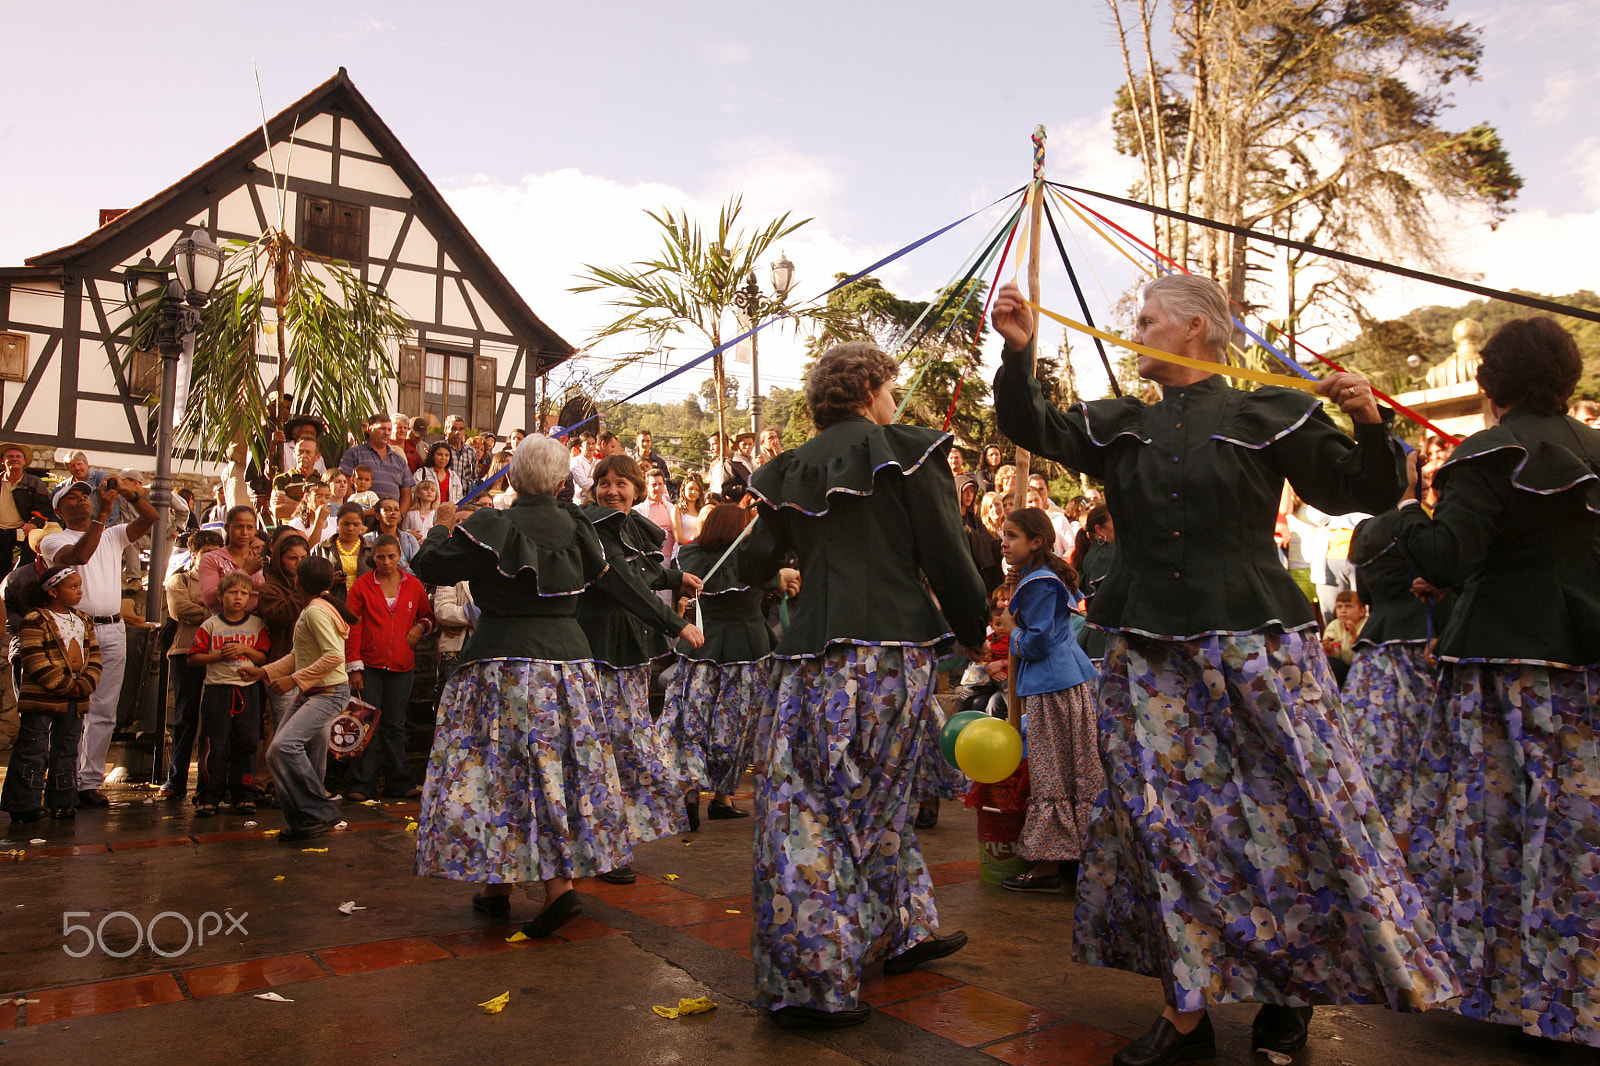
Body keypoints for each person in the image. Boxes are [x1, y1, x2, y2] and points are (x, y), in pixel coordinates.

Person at [991, 274, 1454, 1065]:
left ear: (1196, 329)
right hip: (1146, 655)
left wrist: (1369, 422)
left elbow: (1366, 488)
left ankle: (1289, 997)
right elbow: (1032, 421)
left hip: (1254, 650)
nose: (1133, 329)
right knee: (1159, 824)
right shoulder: (1124, 424)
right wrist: (1019, 350)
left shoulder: (1265, 411)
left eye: (1145, 319)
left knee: (1287, 815)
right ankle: (1184, 1011)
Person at [734, 341, 989, 1028]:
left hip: (804, 664)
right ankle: (826, 980)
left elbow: (753, 558)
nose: (894, 397)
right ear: (871, 387)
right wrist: (978, 628)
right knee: (869, 813)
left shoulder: (789, 469)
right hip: (887, 661)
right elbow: (947, 555)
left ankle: (874, 940)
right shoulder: (909, 454)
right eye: (891, 386)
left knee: (804, 817)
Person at [1392, 317, 1600, 1048]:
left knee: (1497, 831)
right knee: (1579, 830)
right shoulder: (1596, 451)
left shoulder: (1488, 454)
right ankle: (1580, 998)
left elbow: (1449, 556)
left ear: (1492, 381)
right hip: (1587, 670)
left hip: (1506, 672)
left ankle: (1511, 993)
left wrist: (1405, 510)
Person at [411, 435, 703, 938]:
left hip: (499, 667)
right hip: (567, 668)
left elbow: (428, 565)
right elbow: (620, 583)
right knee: (557, 772)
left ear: (513, 478)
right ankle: (525, 889)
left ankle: (532, 889)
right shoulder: (577, 526)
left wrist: (439, 527)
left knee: (496, 773)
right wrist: (676, 623)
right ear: (564, 482)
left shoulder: (490, 524)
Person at [576, 453, 705, 884]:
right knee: (607, 752)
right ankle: (606, 847)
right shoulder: (593, 527)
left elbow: (644, 572)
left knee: (627, 748)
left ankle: (613, 843)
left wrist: (674, 579)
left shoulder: (628, 526)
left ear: (637, 489)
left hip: (629, 652)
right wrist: (675, 622)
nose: (612, 490)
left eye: (621, 483)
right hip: (598, 653)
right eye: (604, 482)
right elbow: (622, 583)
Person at [992, 507, 1103, 895]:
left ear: (1035, 542)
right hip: (1066, 684)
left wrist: (1012, 628)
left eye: (1012, 536)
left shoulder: (1039, 582)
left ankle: (1048, 867)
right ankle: (1077, 856)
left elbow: (1037, 642)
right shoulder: (1043, 577)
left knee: (1052, 773)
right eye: (1003, 535)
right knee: (1076, 770)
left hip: (1050, 688)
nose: (1003, 542)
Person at [665, 504, 796, 824]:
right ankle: (722, 798)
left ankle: (690, 787)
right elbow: (777, 575)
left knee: (691, 724)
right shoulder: (753, 563)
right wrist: (784, 577)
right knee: (734, 730)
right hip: (746, 653)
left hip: (699, 650)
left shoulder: (690, 555)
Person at [1340, 493, 1453, 844]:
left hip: (1374, 652)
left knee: (1373, 753)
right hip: (1422, 641)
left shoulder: (1364, 532)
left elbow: (1367, 596)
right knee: (1424, 754)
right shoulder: (1416, 522)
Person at [41, 476, 156, 807]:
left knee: (104, 709)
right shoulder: (54, 540)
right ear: (59, 509)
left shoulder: (112, 535)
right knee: (73, 706)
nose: (80, 499)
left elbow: (151, 518)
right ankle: (65, 777)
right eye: (71, 497)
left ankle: (88, 782)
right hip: (77, 629)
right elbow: (79, 556)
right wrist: (103, 516)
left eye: (84, 495)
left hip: (113, 627)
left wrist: (128, 492)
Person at [244, 555, 356, 842]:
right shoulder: (316, 608)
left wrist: (293, 680)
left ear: (299, 581)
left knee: (285, 747)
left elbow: (333, 657)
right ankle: (305, 821)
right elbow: (299, 656)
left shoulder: (316, 611)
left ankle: (318, 809)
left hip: (327, 692)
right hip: (315, 691)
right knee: (276, 752)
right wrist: (263, 673)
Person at [1, 566, 100, 822]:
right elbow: (35, 659)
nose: (79, 591)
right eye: (73, 587)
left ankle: (64, 800)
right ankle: (24, 804)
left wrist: (86, 682)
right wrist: (65, 685)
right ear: (53, 591)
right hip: (43, 698)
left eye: (80, 586)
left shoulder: (83, 619)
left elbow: (94, 655)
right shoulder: (36, 619)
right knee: (34, 747)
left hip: (75, 696)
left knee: (67, 748)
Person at [343, 534, 435, 802]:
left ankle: (399, 782)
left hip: (402, 666)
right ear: (373, 558)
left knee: (395, 724)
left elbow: (428, 616)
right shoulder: (361, 586)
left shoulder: (413, 586)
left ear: (400, 557)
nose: (385, 562)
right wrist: (354, 667)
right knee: (366, 722)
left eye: (391, 556)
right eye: (380, 557)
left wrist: (420, 628)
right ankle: (361, 783)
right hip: (369, 665)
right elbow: (352, 625)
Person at [186, 571, 271, 817]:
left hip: (248, 691)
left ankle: (244, 793)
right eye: (233, 592)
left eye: (244, 593)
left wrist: (245, 649)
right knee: (215, 744)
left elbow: (263, 656)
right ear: (221, 596)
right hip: (218, 690)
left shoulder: (256, 625)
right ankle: (208, 795)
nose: (238, 598)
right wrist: (217, 656)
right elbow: (193, 658)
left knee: (247, 742)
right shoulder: (211, 625)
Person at [159, 528, 225, 801]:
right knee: (185, 717)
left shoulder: (228, 583)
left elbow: (238, 610)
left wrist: (206, 609)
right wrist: (216, 612)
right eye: (205, 554)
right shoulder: (180, 581)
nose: (211, 560)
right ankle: (177, 780)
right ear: (194, 555)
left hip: (220, 656)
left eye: (215, 554)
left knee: (215, 719)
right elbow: (180, 610)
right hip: (186, 652)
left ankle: (210, 783)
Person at [340, 413, 415, 516]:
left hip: (390, 519)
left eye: (389, 430)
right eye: (382, 429)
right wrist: (356, 512)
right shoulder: (354, 454)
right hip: (362, 517)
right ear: (370, 429)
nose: (386, 433)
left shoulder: (399, 459)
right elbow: (346, 484)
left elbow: (406, 493)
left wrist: (400, 516)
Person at [199, 506, 264, 614]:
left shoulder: (263, 560)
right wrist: (245, 573)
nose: (244, 532)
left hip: (258, 625)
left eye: (250, 527)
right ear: (227, 528)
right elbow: (209, 599)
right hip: (223, 625)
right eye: (239, 527)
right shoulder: (211, 559)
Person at [0, 443, 51, 576]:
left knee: (25, 567)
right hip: (1, 530)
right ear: (2, 461)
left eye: (18, 456)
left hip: (25, 529)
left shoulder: (35, 482)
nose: (14, 459)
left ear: (23, 461)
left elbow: (43, 506)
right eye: (9, 456)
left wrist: (34, 523)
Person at [313, 503, 374, 598]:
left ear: (362, 524)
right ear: (337, 522)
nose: (350, 528)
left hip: (364, 604)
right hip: (332, 604)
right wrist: (330, 580)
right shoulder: (322, 548)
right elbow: (311, 580)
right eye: (345, 524)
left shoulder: (372, 549)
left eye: (356, 524)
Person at [1319, 589, 1367, 688]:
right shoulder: (1335, 625)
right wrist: (1330, 649)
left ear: (1362, 611)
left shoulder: (1366, 624)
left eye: (1349, 606)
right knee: (1330, 663)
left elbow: (1366, 649)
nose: (1343, 610)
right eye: (1339, 607)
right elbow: (1337, 652)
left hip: (1362, 666)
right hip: (1344, 667)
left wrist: (1354, 635)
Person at [634, 467, 678, 563]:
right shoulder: (639, 510)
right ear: (647, 487)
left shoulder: (671, 508)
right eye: (654, 485)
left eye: (660, 484)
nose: (657, 488)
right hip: (650, 560)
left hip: (670, 558)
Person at [366, 498, 420, 572]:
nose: (393, 513)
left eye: (396, 510)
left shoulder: (409, 538)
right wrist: (404, 564)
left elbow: (417, 567)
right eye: (387, 510)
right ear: (377, 515)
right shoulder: (368, 539)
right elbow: (372, 565)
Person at [272, 438, 324, 505]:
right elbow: (278, 511)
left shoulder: (322, 480)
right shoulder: (282, 479)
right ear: (294, 453)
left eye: (308, 452)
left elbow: (326, 509)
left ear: (317, 457)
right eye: (300, 451)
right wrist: (312, 508)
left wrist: (289, 502)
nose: (303, 456)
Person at [634, 429, 674, 499]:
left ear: (651, 442)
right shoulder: (631, 461)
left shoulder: (660, 462)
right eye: (643, 441)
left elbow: (666, 482)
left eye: (648, 441)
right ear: (636, 442)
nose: (645, 444)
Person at [419, 440, 461, 505]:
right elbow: (414, 494)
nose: (443, 458)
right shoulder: (422, 473)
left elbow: (459, 498)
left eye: (446, 455)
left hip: (449, 513)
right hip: (427, 513)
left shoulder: (454, 476)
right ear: (432, 456)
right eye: (439, 454)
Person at [674, 473, 707, 547]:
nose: (693, 492)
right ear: (683, 489)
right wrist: (693, 546)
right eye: (691, 488)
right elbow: (679, 538)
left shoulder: (702, 510)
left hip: (699, 550)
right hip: (683, 550)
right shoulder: (677, 509)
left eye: (697, 490)